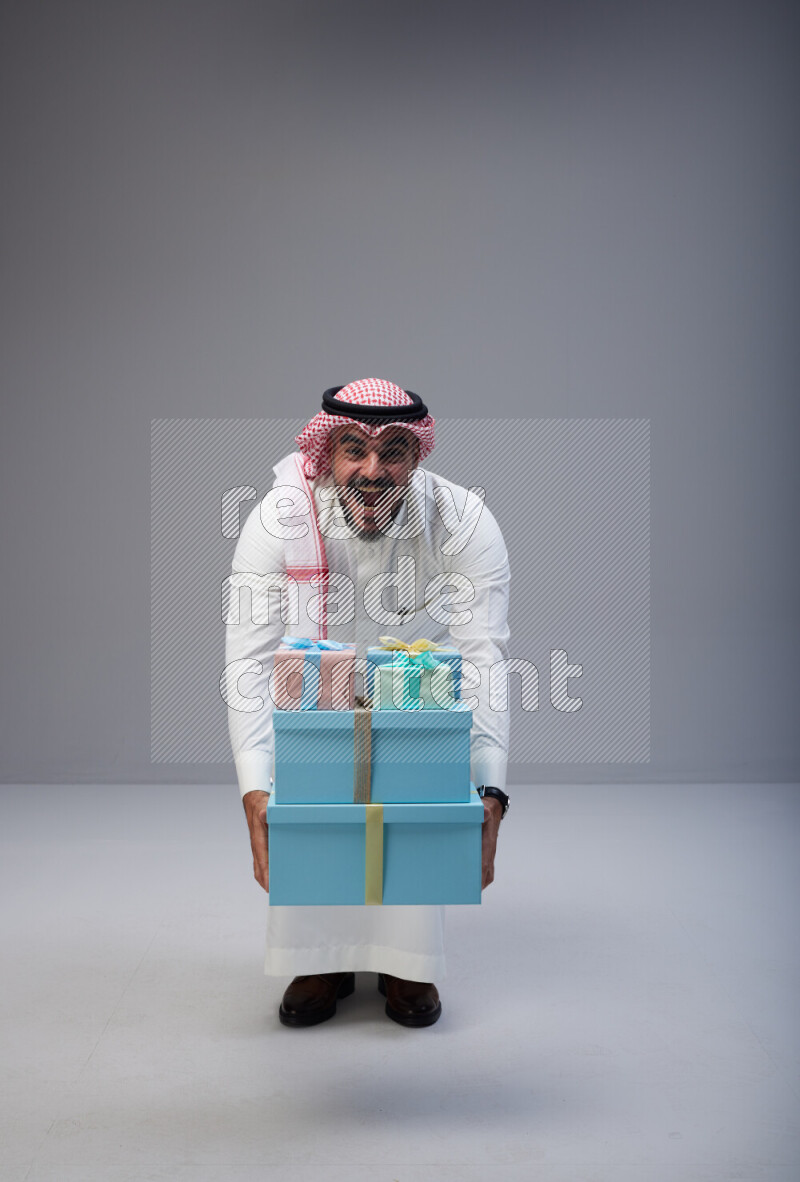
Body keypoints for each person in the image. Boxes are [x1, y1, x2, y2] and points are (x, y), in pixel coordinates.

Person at [224, 378, 510, 1027]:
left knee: (412, 824)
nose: (373, 471)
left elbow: (486, 659)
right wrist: (254, 789)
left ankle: (407, 966)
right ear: (327, 454)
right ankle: (319, 958)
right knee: (315, 831)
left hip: (418, 712)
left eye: (394, 453)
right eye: (354, 449)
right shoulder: (278, 521)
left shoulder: (463, 521)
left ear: (418, 456)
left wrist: (491, 793)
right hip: (309, 714)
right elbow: (246, 660)